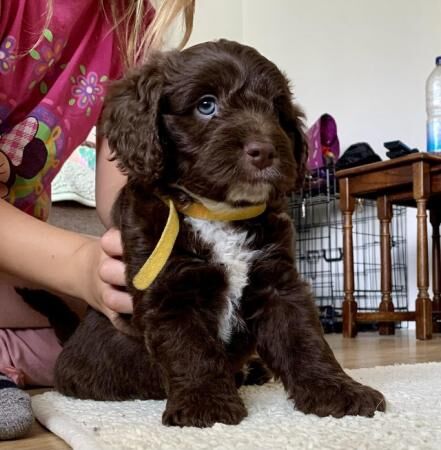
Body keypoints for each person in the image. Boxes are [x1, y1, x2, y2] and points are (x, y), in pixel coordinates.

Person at [0, 0, 195, 440]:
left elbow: (117, 196)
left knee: (113, 343)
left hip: (15, 264)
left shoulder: (130, 24)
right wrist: (79, 266)